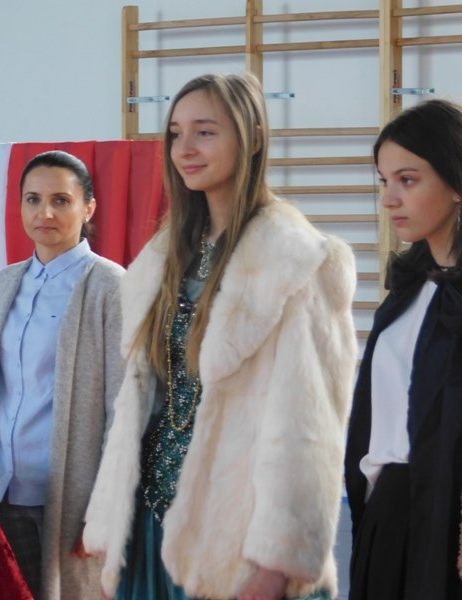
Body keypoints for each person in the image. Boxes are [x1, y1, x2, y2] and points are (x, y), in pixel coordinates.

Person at [82, 72, 358, 600]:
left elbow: (310, 427)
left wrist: (276, 564)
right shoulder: (166, 256)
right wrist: (113, 523)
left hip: (238, 544)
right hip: (150, 528)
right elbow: (142, 405)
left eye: (205, 132)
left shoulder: (298, 260)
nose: (184, 148)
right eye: (176, 133)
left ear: (252, 138)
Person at [0, 150, 125, 600]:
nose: (45, 213)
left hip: (68, 498)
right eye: (33, 199)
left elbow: (124, 408)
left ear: (88, 208)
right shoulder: (6, 282)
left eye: (61, 200)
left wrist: (104, 505)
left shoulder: (111, 285)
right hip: (0, 488)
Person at [344, 99, 462, 600]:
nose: (390, 199)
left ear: (456, 182)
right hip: (389, 512)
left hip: (448, 514)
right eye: (384, 181)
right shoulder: (409, 290)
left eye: (408, 180)